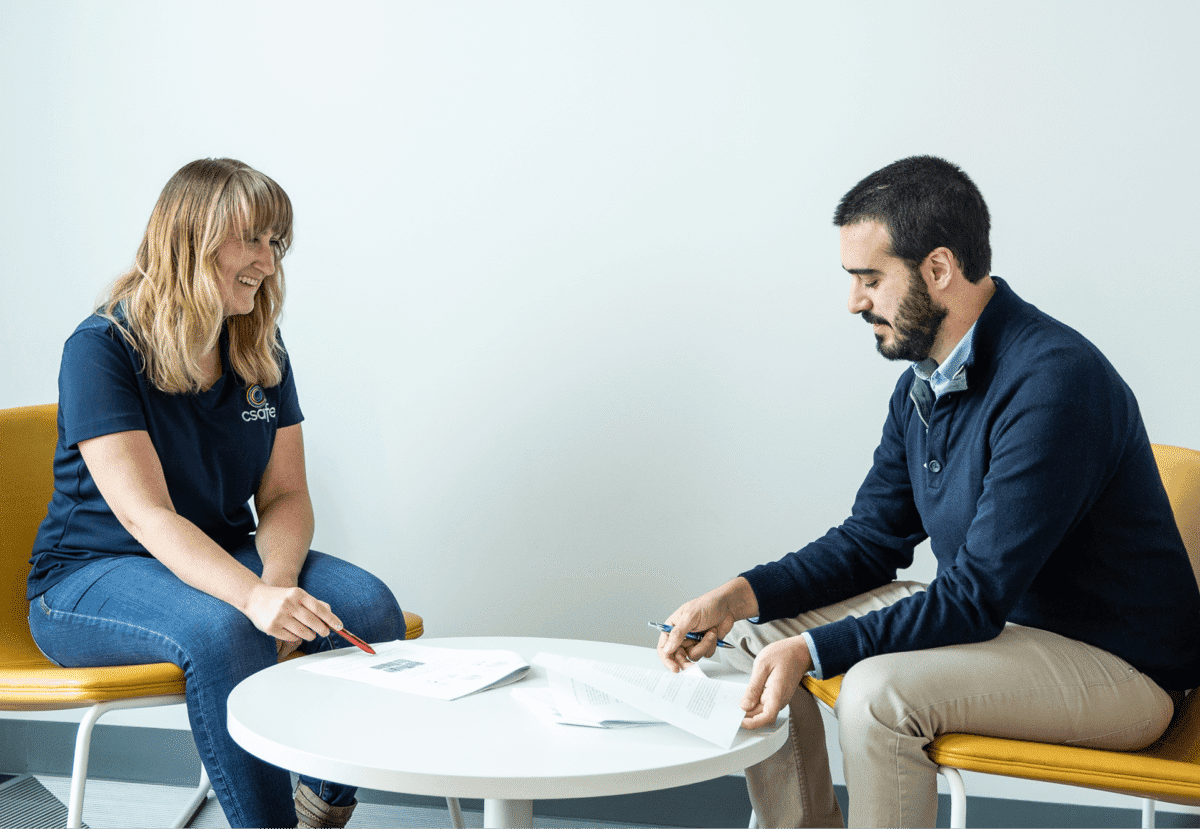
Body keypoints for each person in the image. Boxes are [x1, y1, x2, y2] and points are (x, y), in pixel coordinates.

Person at [657, 155, 1200, 828]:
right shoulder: (924, 382)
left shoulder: (1055, 382)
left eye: (870, 278)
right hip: (1009, 633)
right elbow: (870, 542)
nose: (855, 301)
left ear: (938, 269)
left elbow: (973, 598)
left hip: (1123, 671)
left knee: (877, 693)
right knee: (757, 632)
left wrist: (819, 650)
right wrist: (736, 596)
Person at [26, 158, 406, 829]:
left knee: (370, 609)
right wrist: (255, 598)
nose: (269, 260)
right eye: (253, 239)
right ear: (192, 239)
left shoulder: (258, 344)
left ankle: (320, 804)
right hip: (91, 574)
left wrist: (280, 583)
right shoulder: (103, 348)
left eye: (277, 243)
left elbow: (286, 495)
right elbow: (145, 515)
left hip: (221, 556)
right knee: (228, 628)